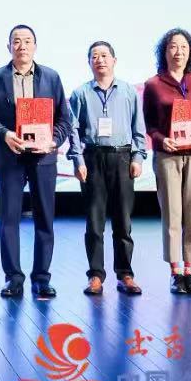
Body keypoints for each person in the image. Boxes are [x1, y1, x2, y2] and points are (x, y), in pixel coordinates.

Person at [0, 25, 72, 299]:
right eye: (16, 41)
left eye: (27, 41)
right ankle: (13, 278)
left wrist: (52, 141)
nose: (22, 46)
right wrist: (5, 134)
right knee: (9, 219)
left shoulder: (51, 77)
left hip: (43, 158)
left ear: (35, 46)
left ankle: (42, 278)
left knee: (44, 218)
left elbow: (64, 119)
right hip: (10, 157)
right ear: (9, 46)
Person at [67, 41, 146, 297]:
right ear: (89, 62)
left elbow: (138, 128)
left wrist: (138, 158)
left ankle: (125, 274)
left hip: (122, 157)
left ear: (114, 60)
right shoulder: (80, 93)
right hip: (92, 159)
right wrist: (78, 160)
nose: (100, 60)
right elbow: (73, 130)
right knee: (94, 222)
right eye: (94, 56)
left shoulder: (128, 92)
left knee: (123, 221)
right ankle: (95, 276)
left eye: (104, 55)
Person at [143, 27, 191, 296]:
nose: (179, 52)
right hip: (168, 155)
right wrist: (162, 140)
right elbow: (149, 125)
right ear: (164, 51)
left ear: (190, 52)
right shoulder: (153, 84)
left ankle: (190, 270)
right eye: (173, 46)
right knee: (172, 214)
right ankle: (175, 272)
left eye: (184, 47)